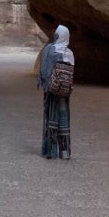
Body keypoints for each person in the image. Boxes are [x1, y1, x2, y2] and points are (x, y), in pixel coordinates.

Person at [37, 24, 74, 159]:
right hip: (65, 91)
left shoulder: (49, 50)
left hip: (51, 89)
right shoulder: (69, 53)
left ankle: (50, 151)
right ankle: (64, 152)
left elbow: (44, 71)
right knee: (63, 117)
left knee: (51, 117)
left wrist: (46, 84)